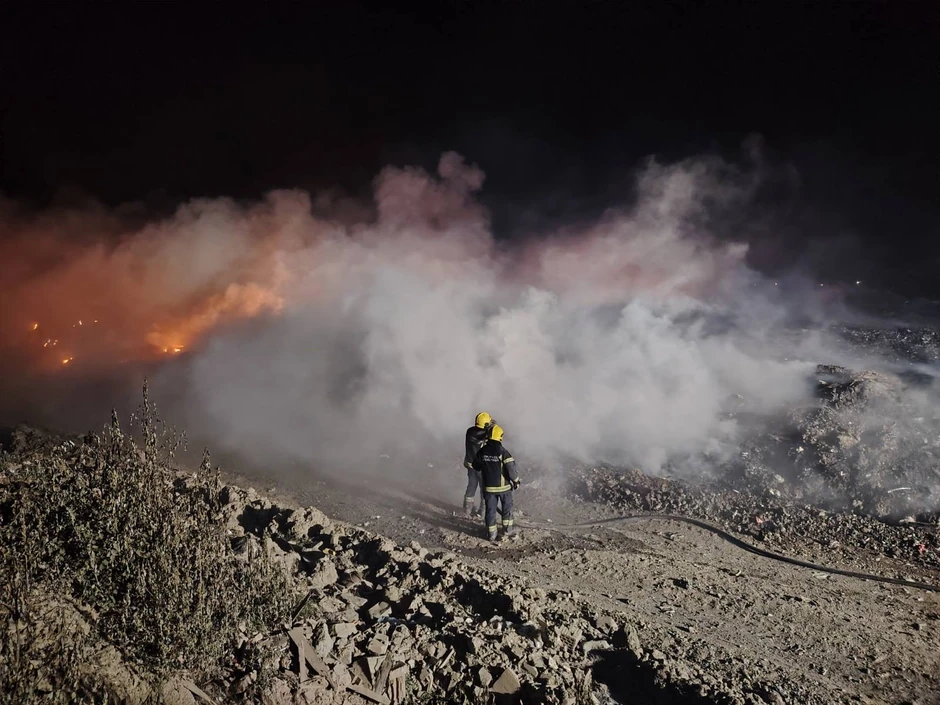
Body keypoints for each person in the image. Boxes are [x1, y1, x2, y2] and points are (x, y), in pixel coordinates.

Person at [472, 424, 520, 542]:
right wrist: (516, 481)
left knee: (490, 511)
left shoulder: (482, 451)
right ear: (500, 437)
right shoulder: (503, 452)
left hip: (488, 489)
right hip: (504, 488)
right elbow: (511, 469)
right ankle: (508, 530)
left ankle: (491, 534)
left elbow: (475, 466)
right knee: (507, 509)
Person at [462, 412, 495, 516]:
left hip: (470, 464)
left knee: (471, 485)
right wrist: (492, 426)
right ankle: (483, 510)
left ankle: (467, 509)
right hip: (481, 467)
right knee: (484, 488)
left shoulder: (470, 431)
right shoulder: (485, 435)